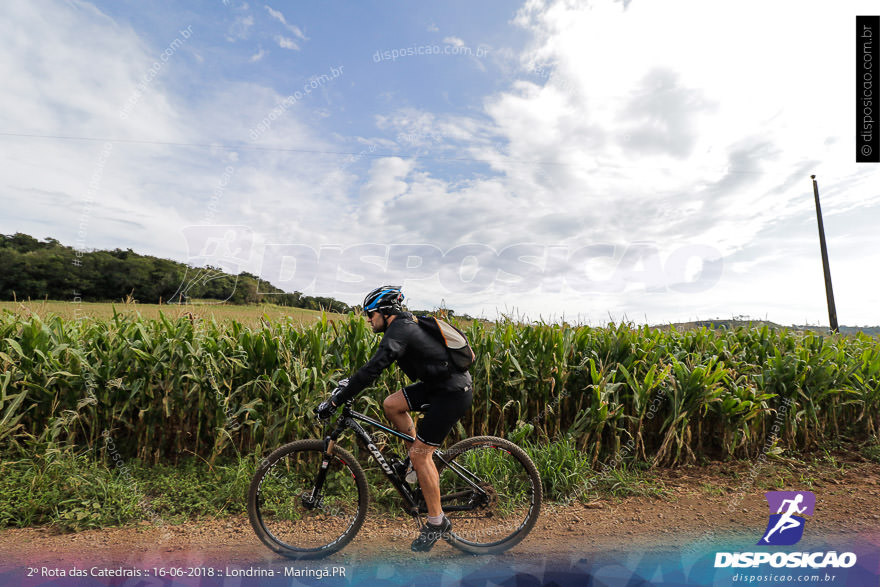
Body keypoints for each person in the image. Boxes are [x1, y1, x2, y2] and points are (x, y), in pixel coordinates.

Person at [316, 285, 474, 552]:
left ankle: (437, 522)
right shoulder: (401, 325)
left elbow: (376, 367)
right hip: (438, 386)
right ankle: (414, 464)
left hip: (453, 393)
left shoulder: (400, 329)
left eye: (370, 313)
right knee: (391, 404)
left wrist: (335, 401)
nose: (368, 319)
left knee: (422, 455)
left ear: (384, 311)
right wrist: (348, 384)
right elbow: (372, 367)